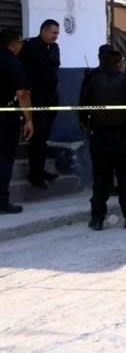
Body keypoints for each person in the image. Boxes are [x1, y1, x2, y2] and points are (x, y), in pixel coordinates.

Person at [79, 48, 126, 230]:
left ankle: (97, 219)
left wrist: (89, 127)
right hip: (124, 137)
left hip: (99, 138)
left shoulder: (91, 80)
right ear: (119, 63)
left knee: (100, 179)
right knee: (125, 179)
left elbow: (82, 110)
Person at [18, 19, 60, 189]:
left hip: (51, 95)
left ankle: (40, 169)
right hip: (36, 96)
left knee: (45, 134)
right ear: (43, 31)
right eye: (53, 33)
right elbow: (19, 70)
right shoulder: (29, 46)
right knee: (38, 135)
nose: (56, 37)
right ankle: (35, 173)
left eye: (57, 33)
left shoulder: (55, 48)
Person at [0, 29, 33, 214]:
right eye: (20, 42)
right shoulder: (12, 62)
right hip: (5, 117)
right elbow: (22, 93)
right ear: (13, 44)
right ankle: (2, 201)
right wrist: (29, 120)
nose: (21, 46)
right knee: (4, 158)